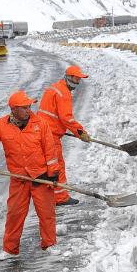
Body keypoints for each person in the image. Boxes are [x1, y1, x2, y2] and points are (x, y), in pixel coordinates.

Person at [0, 91, 60, 261]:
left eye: (29, 106)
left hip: (41, 178)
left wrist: (53, 175)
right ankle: (10, 249)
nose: (29, 110)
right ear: (14, 109)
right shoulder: (0, 125)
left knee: (46, 213)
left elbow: (51, 151)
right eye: (25, 107)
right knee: (14, 214)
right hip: (19, 179)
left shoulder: (40, 124)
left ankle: (50, 244)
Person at [38, 65, 90, 206]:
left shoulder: (53, 88)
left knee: (49, 167)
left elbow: (50, 113)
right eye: (76, 78)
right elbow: (67, 118)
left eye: (79, 78)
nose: (78, 82)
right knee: (57, 166)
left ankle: (49, 195)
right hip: (50, 136)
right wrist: (81, 132)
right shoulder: (64, 93)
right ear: (69, 77)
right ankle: (60, 198)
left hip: (42, 131)